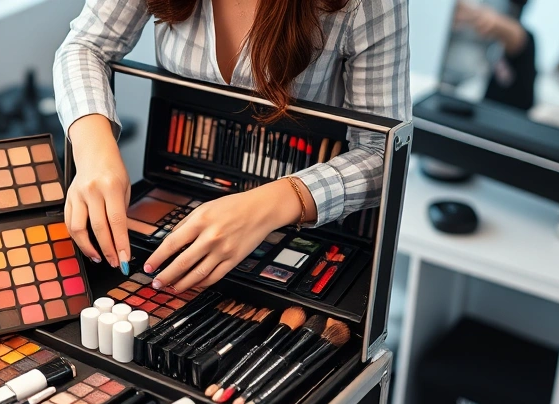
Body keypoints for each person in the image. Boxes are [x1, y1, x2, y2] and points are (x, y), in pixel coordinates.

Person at [54, 0, 411, 293]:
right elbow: (86, 46)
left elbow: (383, 154)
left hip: (304, 224)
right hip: (179, 180)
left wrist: (272, 204)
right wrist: (94, 153)